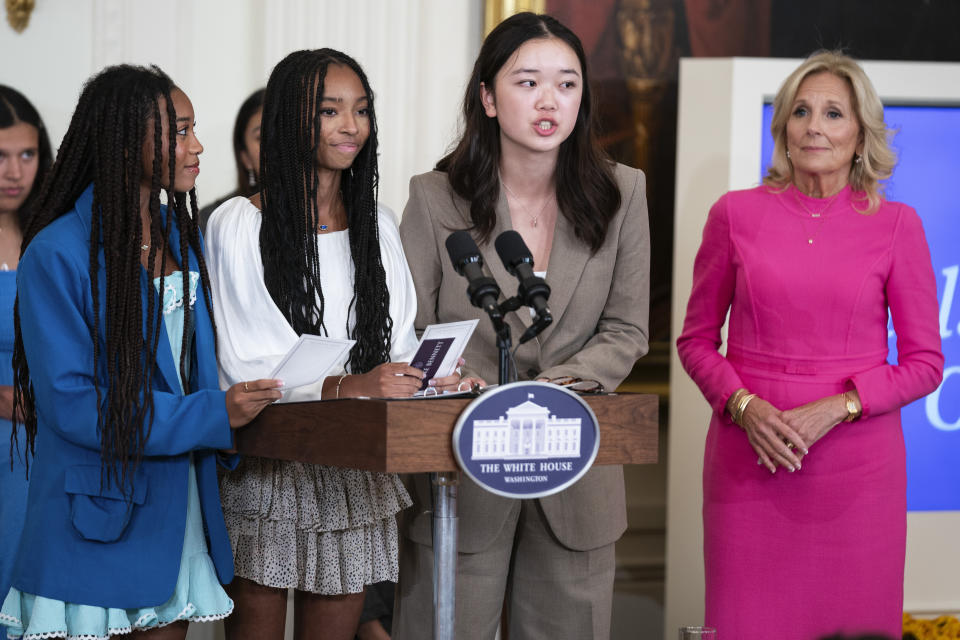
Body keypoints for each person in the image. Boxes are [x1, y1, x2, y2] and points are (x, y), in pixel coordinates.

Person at [0, 65, 282, 640]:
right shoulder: (57, 252)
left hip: (176, 508)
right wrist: (215, 414)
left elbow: (193, 369)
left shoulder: (182, 237)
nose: (197, 145)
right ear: (126, 142)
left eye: (194, 128)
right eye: (178, 131)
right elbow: (73, 405)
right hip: (97, 516)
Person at [394, 12, 650, 640]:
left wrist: (552, 391)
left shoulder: (623, 192)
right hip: (460, 465)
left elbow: (626, 329)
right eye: (527, 82)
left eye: (566, 84)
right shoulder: (435, 197)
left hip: (577, 470)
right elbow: (412, 329)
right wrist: (478, 391)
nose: (549, 101)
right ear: (487, 97)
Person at [677, 51, 943, 639]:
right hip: (749, 468)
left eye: (833, 113)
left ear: (859, 135)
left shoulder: (898, 224)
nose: (814, 125)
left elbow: (926, 365)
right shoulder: (733, 215)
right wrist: (745, 409)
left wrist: (840, 405)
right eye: (801, 111)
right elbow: (696, 342)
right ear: (784, 131)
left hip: (857, 475)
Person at [205, 48, 468, 640]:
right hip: (271, 464)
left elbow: (397, 340)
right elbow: (246, 361)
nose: (351, 126)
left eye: (362, 110)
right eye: (330, 111)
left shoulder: (377, 222)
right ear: (291, 120)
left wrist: (431, 376)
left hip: (355, 462)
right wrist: (352, 383)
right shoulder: (239, 224)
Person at [0, 84, 52, 640]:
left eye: (27, 154)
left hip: (52, 442)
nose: (14, 171)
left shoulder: (54, 239)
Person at [197, 88, 265, 232]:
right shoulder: (213, 219)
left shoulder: (321, 212)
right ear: (245, 157)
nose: (274, 144)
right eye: (261, 137)